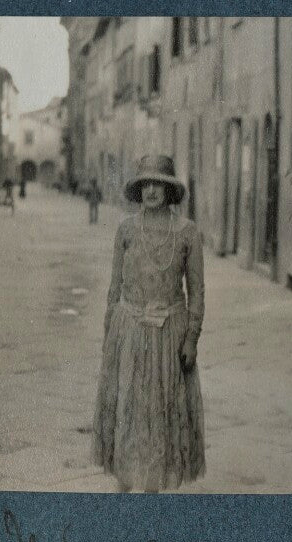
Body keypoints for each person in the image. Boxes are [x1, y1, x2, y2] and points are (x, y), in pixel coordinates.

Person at [92, 155, 205, 493]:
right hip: (128, 329)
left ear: (169, 191)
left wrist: (191, 339)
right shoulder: (126, 229)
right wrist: (110, 331)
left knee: (161, 408)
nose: (152, 190)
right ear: (139, 190)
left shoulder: (187, 233)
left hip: (169, 333)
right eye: (146, 184)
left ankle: (153, 489)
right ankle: (125, 484)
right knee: (129, 405)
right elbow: (115, 287)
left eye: (160, 184)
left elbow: (196, 291)